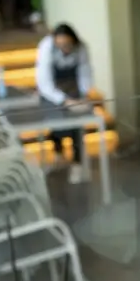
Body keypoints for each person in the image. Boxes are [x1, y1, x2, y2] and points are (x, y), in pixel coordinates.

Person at [35, 23, 93, 184]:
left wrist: (83, 95)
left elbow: (85, 72)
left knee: (77, 127)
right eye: (60, 45)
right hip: (51, 91)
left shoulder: (81, 48)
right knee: (55, 125)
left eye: (67, 45)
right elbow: (44, 81)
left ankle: (77, 163)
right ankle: (59, 155)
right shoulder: (46, 48)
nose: (64, 48)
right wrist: (64, 100)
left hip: (73, 87)